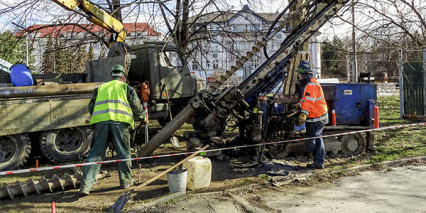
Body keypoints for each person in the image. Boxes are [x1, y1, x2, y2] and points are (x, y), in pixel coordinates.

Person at [80, 64, 147, 195]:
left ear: (111, 76)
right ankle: (125, 181)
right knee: (123, 152)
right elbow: (136, 105)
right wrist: (143, 118)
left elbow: (91, 107)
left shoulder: (100, 88)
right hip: (120, 124)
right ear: (123, 77)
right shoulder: (126, 87)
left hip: (101, 124)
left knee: (95, 154)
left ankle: (85, 186)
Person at [293, 60, 328, 169]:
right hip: (317, 116)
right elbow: (305, 100)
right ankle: (318, 161)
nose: (298, 76)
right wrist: (299, 105)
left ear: (304, 74)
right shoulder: (309, 84)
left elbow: (309, 102)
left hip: (317, 118)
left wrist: (303, 114)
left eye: (299, 74)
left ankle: (319, 161)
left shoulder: (311, 85)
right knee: (316, 138)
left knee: (312, 141)